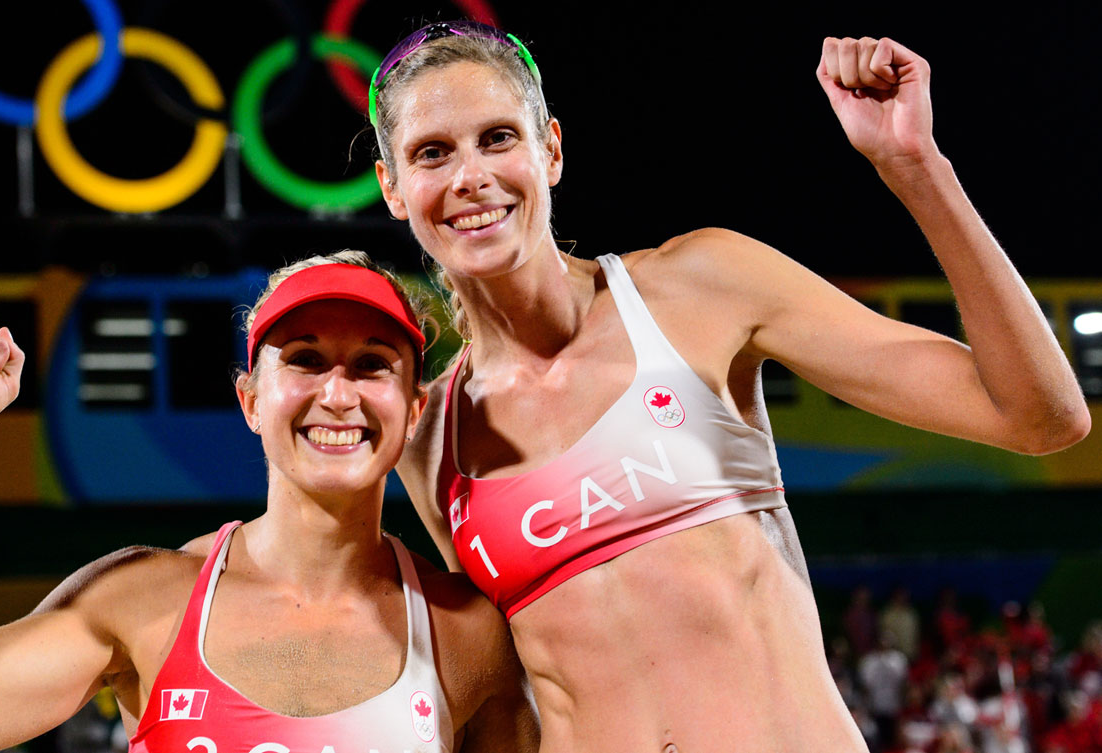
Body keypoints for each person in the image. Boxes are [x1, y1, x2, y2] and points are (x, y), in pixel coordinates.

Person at [367, 20, 1091, 751]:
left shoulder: (701, 289)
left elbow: (1040, 416)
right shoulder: (431, 441)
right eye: (433, 153)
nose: (470, 176)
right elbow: (508, 698)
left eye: (498, 138)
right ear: (392, 187)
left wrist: (914, 164)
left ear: (550, 148)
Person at [0, 251, 539, 753]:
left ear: (414, 408)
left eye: (371, 364)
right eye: (303, 358)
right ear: (250, 401)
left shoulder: (466, 633)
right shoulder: (147, 599)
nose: (338, 393)